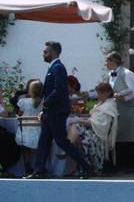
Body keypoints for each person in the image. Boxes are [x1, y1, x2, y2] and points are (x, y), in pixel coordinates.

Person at [30, 41, 92, 179]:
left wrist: (46, 103)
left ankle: (86, 167)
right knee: (44, 141)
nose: (43, 54)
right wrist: (45, 109)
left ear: (54, 52)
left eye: (46, 51)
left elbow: (59, 90)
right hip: (50, 111)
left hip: (56, 111)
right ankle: (39, 170)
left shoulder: (58, 67)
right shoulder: (53, 67)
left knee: (61, 141)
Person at [68, 82, 119, 174]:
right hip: (93, 132)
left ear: (107, 93)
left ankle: (67, 149)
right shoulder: (103, 104)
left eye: (100, 93)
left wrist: (78, 119)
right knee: (75, 129)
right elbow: (94, 118)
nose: (98, 96)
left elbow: (98, 124)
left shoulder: (108, 106)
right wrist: (81, 118)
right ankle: (71, 158)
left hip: (98, 137)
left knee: (75, 126)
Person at [105, 51, 134, 169]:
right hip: (118, 109)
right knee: (118, 137)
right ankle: (120, 165)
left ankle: (132, 167)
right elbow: (110, 91)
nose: (106, 63)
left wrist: (123, 98)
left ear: (114, 61)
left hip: (129, 110)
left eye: (108, 61)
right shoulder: (111, 74)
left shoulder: (126, 73)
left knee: (130, 137)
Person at [15, 80, 42, 174]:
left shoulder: (23, 101)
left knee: (25, 147)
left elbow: (19, 114)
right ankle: (40, 165)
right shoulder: (43, 102)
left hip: (24, 134)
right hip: (39, 133)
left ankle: (27, 165)